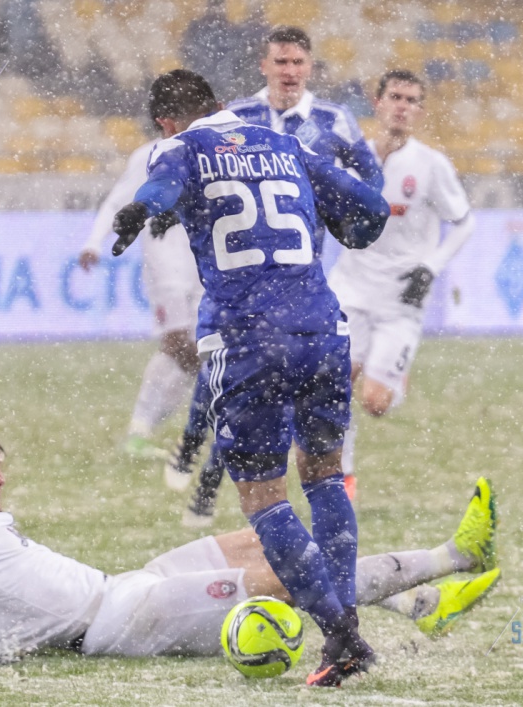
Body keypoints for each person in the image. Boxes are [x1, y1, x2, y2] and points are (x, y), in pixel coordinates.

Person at [110, 69, 392, 686]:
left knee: (264, 498)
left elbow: (159, 185)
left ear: (164, 122)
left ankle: (342, 636)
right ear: (221, 104)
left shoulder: (180, 147)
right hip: (321, 328)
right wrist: (346, 228)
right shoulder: (287, 145)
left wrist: (141, 210)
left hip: (248, 338)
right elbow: (371, 209)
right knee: (325, 476)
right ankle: (346, 624)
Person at [0, 427, 500, 667]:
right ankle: (453, 558)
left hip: (125, 586)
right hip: (120, 624)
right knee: (286, 577)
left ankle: (417, 605)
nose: (0, 478)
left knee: (265, 538)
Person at [166, 25, 384, 518]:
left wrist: (340, 207)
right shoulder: (238, 116)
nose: (289, 71)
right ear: (264, 65)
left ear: (310, 68)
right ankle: (194, 448)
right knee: (221, 373)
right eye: (280, 62)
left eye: (297, 63)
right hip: (238, 275)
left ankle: (208, 481)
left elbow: (371, 175)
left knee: (258, 390)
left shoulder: (334, 120)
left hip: (298, 278)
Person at [328, 69, 476, 483]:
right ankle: (344, 476)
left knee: (375, 403)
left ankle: (392, 377)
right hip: (350, 289)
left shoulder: (430, 165)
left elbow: (464, 223)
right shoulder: (350, 159)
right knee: (334, 385)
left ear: (420, 112)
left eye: (412, 101)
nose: (402, 107)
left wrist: (430, 268)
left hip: (400, 298)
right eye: (395, 97)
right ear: (377, 103)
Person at [78, 139, 204, 461]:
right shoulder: (150, 155)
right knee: (179, 346)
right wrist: (94, 242)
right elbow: (117, 202)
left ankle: (143, 432)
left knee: (198, 351)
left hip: (204, 266)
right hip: (166, 266)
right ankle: (146, 430)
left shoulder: (209, 146)